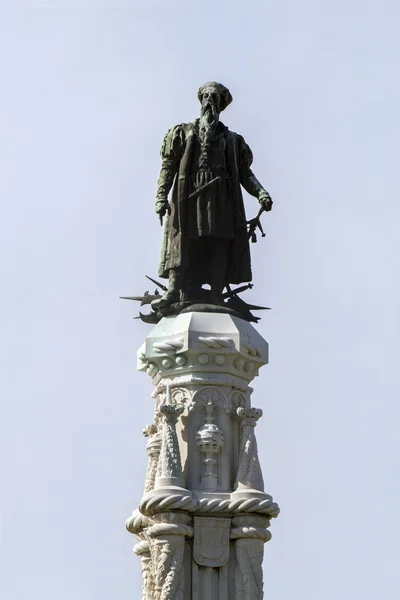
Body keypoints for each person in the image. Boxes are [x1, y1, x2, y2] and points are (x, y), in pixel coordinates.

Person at [153, 81, 272, 310]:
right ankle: (175, 290)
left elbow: (245, 175)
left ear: (221, 104)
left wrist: (261, 193)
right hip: (187, 198)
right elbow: (168, 167)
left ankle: (217, 294)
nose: (210, 102)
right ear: (201, 101)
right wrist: (160, 197)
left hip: (222, 199)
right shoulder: (183, 132)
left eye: (215, 98)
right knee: (184, 241)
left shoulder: (234, 141)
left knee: (219, 243)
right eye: (206, 97)